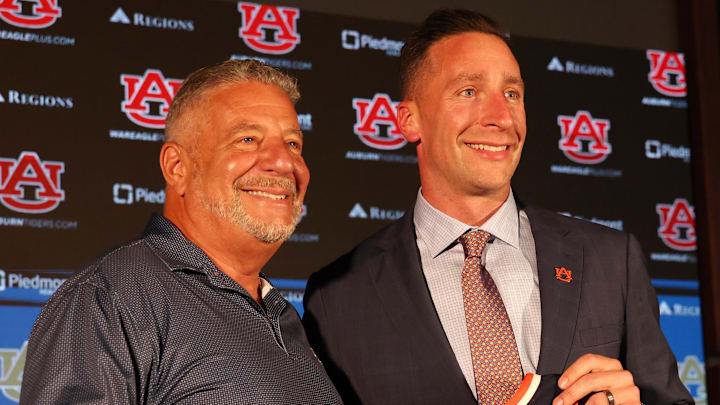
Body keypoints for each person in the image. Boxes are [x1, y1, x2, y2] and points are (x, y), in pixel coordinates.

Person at [303, 9, 693, 405]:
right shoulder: (337, 296)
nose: (501, 117)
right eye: (468, 92)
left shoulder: (611, 260)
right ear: (408, 121)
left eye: (512, 94)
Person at [20, 59, 342, 404]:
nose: (283, 162)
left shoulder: (285, 317)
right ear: (177, 167)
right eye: (247, 139)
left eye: (293, 144)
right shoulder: (110, 298)